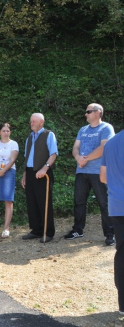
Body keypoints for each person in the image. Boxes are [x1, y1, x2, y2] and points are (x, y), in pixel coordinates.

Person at [65, 103, 115, 246]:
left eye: (88, 111)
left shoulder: (106, 128)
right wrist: (78, 158)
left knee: (104, 203)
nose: (85, 114)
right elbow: (76, 147)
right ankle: (78, 230)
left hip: (99, 171)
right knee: (79, 202)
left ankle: (110, 233)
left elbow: (105, 147)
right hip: (82, 171)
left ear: (98, 112)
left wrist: (85, 159)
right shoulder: (83, 129)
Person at [21, 113, 58, 243]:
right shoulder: (29, 138)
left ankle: (48, 232)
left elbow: (53, 154)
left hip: (44, 173)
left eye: (34, 121)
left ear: (41, 122)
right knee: (32, 202)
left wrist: (45, 168)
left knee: (44, 202)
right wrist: (25, 174)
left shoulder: (49, 135)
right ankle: (36, 230)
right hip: (30, 172)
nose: (31, 123)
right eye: (31, 121)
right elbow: (27, 158)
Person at [100, 129, 124, 313]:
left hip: (117, 205)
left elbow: (102, 177)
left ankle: (123, 305)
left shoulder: (111, 143)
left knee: (122, 254)